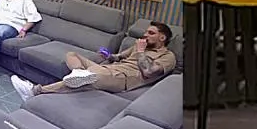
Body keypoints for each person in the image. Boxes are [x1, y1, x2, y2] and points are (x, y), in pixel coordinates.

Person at [10, 22, 177, 100]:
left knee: (92, 76)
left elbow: (148, 72)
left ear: (162, 38)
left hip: (123, 79)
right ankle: (78, 73)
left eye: (151, 33)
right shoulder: (139, 45)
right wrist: (109, 56)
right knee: (72, 55)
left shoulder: (168, 57)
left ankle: (35, 91)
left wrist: (140, 52)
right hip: (109, 69)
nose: (145, 35)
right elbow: (118, 57)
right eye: (146, 32)